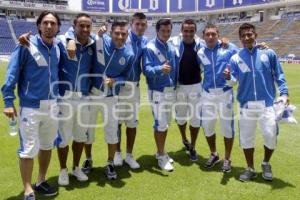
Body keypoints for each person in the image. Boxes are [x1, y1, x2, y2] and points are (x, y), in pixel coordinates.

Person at [18, 13, 95, 186]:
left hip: (84, 97)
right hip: (64, 97)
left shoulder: (94, 43)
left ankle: (76, 167)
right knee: (63, 137)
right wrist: (69, 39)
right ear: (73, 26)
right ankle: (63, 170)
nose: (84, 29)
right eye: (80, 25)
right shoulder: (61, 41)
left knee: (81, 136)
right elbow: (53, 35)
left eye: (87, 26)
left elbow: (102, 36)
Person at [1, 11, 61, 200]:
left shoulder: (58, 47)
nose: (49, 26)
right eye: (45, 23)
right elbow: (12, 74)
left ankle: (41, 180)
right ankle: (28, 189)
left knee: (47, 145)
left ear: (58, 27)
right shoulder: (25, 45)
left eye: (53, 23)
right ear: (39, 26)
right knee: (28, 149)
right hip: (31, 107)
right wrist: (8, 101)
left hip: (52, 105)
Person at [224, 23, 289, 181]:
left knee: (270, 135)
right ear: (240, 39)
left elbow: (279, 75)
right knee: (247, 138)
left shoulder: (269, 53)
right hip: (246, 105)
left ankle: (266, 163)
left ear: (255, 35)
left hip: (266, 104)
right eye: (244, 35)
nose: (247, 37)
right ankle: (250, 168)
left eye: (250, 34)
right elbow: (233, 82)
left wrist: (284, 93)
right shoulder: (235, 58)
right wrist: (228, 77)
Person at [87, 20, 134, 179]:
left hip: (111, 97)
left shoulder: (129, 54)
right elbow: (84, 39)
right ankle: (88, 159)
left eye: (123, 34)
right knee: (88, 131)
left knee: (112, 132)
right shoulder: (100, 40)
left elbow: (126, 76)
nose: (120, 36)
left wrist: (116, 81)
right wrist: (97, 34)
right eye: (117, 33)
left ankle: (110, 163)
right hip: (92, 94)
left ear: (127, 35)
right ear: (111, 33)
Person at [197, 23, 238, 172]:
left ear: (218, 35)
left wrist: (260, 46)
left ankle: (227, 158)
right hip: (207, 94)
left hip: (225, 92)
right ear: (203, 36)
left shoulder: (229, 48)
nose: (210, 37)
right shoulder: (200, 52)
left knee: (227, 127)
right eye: (207, 34)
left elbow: (246, 54)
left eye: (213, 34)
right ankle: (214, 154)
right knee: (207, 127)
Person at [143, 18, 177, 171]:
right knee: (160, 124)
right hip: (157, 91)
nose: (166, 33)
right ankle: (161, 156)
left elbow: (174, 69)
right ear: (157, 31)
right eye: (163, 31)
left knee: (165, 123)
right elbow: (146, 71)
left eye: (168, 31)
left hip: (169, 90)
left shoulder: (170, 46)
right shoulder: (149, 48)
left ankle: (161, 152)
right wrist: (160, 69)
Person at [168, 19, 204, 161]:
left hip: (196, 86)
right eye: (186, 31)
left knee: (195, 120)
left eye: (191, 31)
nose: (188, 34)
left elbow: (222, 45)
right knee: (181, 118)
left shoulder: (201, 44)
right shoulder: (173, 43)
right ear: (181, 31)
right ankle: (184, 138)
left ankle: (193, 147)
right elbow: (159, 42)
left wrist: (259, 46)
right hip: (180, 87)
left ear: (195, 32)